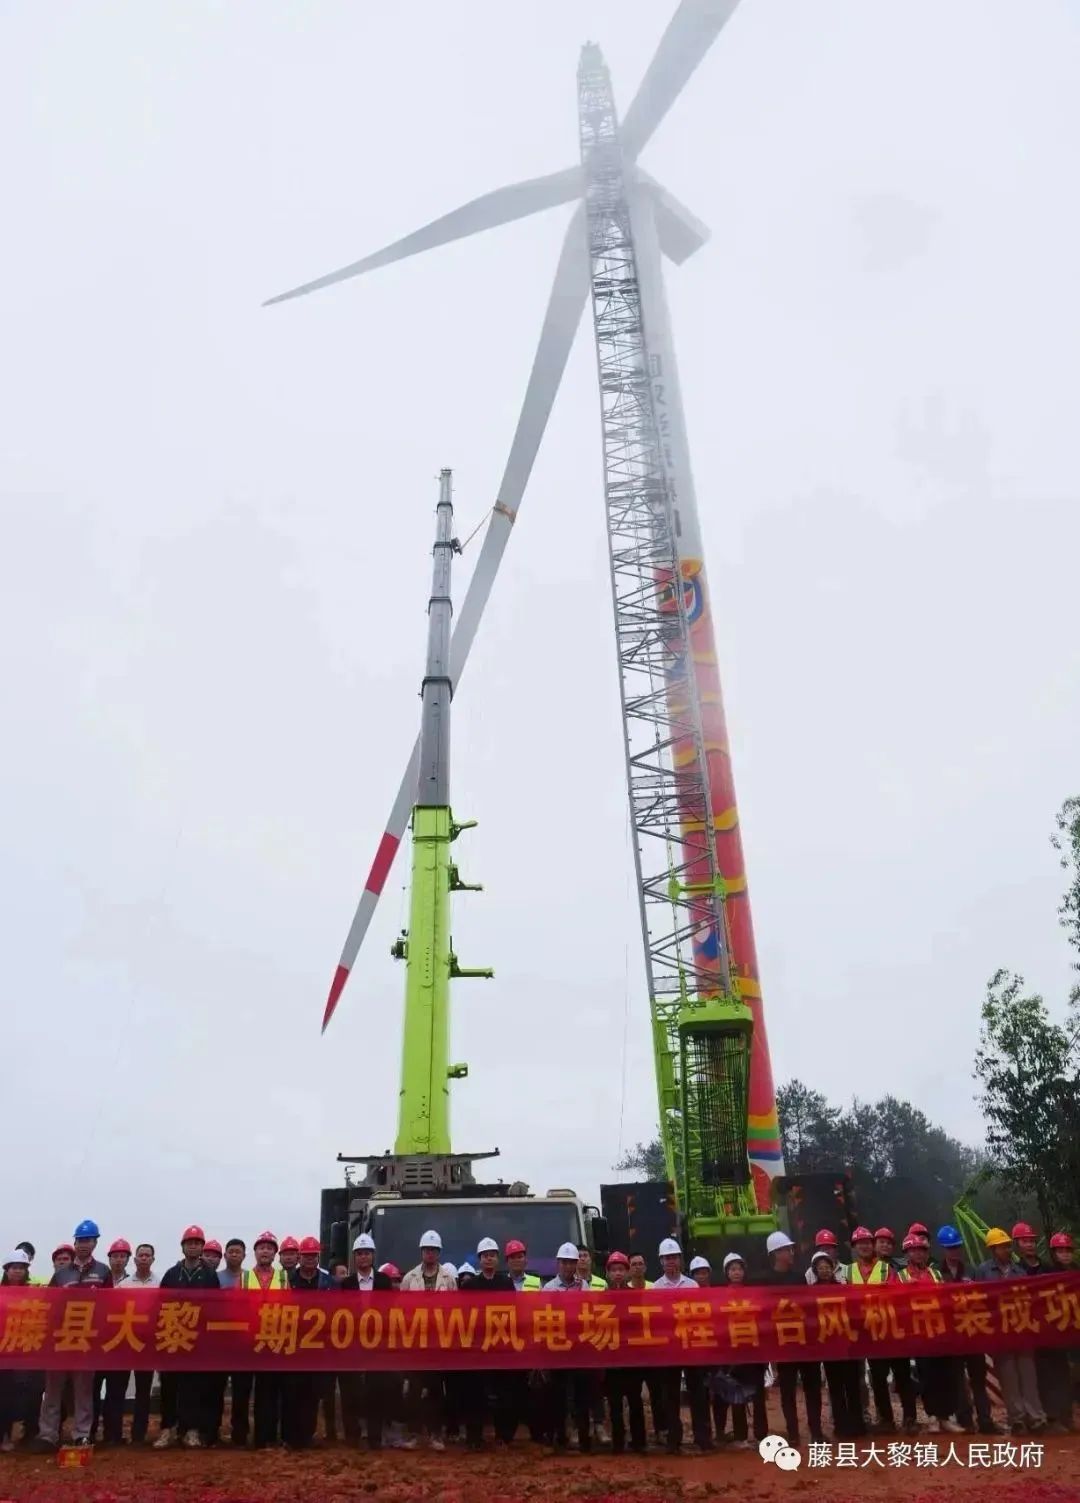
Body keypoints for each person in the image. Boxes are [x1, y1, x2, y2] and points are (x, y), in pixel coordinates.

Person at [32, 1219, 112, 1453]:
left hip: (87, 1340)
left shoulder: (103, 1272)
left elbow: (110, 1306)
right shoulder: (61, 1273)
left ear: (95, 1242)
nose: (84, 1244)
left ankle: (81, 1435)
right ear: (75, 1242)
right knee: (53, 1389)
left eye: (89, 1240)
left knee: (83, 1389)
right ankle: (48, 1434)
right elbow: (48, 1304)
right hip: (60, 1340)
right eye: (80, 1240)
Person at [976, 1228, 1046, 1434]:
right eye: (1001, 1247)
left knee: (1028, 1375)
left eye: (1007, 1246)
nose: (1006, 1250)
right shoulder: (984, 1272)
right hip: (1000, 1333)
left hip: (1021, 1329)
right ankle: (1017, 1418)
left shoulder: (1019, 1271)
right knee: (1008, 1377)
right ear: (992, 1249)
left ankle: (1036, 1417)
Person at [156, 1225, 220, 1450]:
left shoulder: (210, 1275)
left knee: (194, 1386)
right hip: (173, 1337)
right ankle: (167, 1429)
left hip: (198, 1340)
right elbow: (160, 1304)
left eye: (197, 1243)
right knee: (169, 1386)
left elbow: (215, 1308)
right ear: (182, 1247)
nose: (193, 1246)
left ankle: (191, 1430)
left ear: (202, 1247)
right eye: (189, 1243)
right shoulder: (172, 1274)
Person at [848, 1225, 916, 1434]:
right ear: (854, 1247)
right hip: (870, 1334)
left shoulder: (887, 1269)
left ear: (873, 1246)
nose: (865, 1247)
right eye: (860, 1244)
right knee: (878, 1378)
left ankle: (910, 1418)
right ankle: (886, 1419)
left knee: (902, 1375)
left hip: (892, 1331)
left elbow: (899, 1296)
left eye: (868, 1243)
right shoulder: (849, 1271)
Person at [759, 1230, 824, 1447]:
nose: (791, 1252)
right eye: (787, 1249)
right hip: (784, 1345)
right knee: (787, 1391)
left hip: (805, 1343)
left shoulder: (798, 1277)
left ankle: (816, 1431)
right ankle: (793, 1432)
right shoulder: (766, 1281)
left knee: (812, 1388)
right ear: (776, 1253)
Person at [936, 1224, 1000, 1435]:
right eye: (950, 1248)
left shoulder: (972, 1270)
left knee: (978, 1380)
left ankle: (985, 1420)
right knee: (957, 1380)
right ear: (943, 1249)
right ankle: (965, 1420)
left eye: (957, 1247)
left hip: (973, 1332)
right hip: (951, 1336)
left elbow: (985, 1298)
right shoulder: (936, 1273)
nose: (954, 1251)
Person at [898, 1235, 963, 1433]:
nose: (918, 1253)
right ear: (907, 1253)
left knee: (944, 1375)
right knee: (925, 1376)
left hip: (939, 1333)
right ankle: (933, 1416)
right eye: (913, 1250)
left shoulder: (936, 1274)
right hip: (917, 1334)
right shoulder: (900, 1276)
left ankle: (946, 1417)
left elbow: (946, 1300)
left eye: (922, 1249)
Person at [653, 1237, 712, 1453]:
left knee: (698, 1393)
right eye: (667, 1258)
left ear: (680, 1260)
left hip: (691, 1346)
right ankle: (673, 1439)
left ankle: (702, 1437)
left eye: (674, 1257)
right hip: (669, 1349)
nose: (671, 1261)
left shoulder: (692, 1285)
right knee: (670, 1396)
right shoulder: (656, 1288)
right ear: (661, 1261)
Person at [457, 1237, 515, 1448]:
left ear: (497, 1259)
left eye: (492, 1255)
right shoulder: (470, 1285)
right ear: (479, 1260)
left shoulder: (506, 1284)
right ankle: (475, 1437)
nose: (489, 1259)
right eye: (485, 1256)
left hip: (501, 1346)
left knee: (503, 1394)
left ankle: (503, 1436)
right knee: (476, 1394)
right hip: (478, 1347)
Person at [399, 1231, 455, 1450]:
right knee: (413, 1388)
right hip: (415, 1341)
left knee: (435, 1390)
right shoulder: (409, 1278)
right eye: (426, 1249)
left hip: (438, 1342)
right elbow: (401, 1311)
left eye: (433, 1250)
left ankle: (435, 1434)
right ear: (421, 1252)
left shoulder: (449, 1279)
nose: (429, 1253)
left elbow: (455, 1311)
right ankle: (413, 1433)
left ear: (438, 1253)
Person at [340, 1233, 393, 1450]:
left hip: (377, 1343)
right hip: (352, 1344)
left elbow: (391, 1310)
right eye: (359, 1254)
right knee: (351, 1390)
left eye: (367, 1253)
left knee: (376, 1390)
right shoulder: (347, 1284)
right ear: (354, 1257)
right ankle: (352, 1435)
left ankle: (374, 1437)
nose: (363, 1257)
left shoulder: (383, 1281)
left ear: (373, 1256)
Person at [710, 1252, 765, 1449]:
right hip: (732, 1353)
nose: (736, 1272)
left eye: (739, 1268)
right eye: (732, 1269)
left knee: (758, 1395)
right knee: (737, 1395)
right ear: (727, 1272)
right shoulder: (721, 1295)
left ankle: (761, 1435)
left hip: (753, 1351)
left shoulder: (753, 1292)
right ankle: (741, 1436)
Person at [541, 1242, 592, 1453]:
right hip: (558, 1349)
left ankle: (584, 1439)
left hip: (579, 1349)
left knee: (582, 1397)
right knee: (558, 1397)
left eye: (572, 1263)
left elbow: (590, 1313)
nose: (568, 1267)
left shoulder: (584, 1287)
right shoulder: (549, 1289)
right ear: (558, 1264)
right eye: (564, 1263)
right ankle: (560, 1438)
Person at [283, 1236, 332, 1449]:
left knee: (312, 1395)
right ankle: (289, 1437)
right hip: (293, 1345)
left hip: (319, 1348)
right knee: (292, 1392)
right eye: (306, 1256)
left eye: (314, 1256)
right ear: (299, 1258)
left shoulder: (328, 1282)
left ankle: (307, 1435)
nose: (310, 1260)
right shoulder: (288, 1280)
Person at [810, 1250, 864, 1439]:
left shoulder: (843, 1288)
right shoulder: (809, 1293)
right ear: (815, 1271)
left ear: (833, 1269)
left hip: (846, 1344)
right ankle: (841, 1426)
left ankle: (858, 1425)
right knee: (835, 1388)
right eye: (820, 1268)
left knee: (852, 1385)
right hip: (828, 1347)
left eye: (827, 1267)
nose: (824, 1270)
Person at [243, 1233, 288, 1448]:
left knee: (272, 1390)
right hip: (251, 1340)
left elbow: (290, 1307)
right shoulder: (244, 1278)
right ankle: (255, 1437)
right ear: (255, 1252)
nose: (265, 1251)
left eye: (270, 1248)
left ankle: (271, 1435)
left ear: (274, 1253)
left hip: (275, 1339)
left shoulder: (283, 1277)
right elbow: (237, 1308)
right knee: (252, 1391)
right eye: (261, 1247)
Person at [601, 1251, 646, 1454]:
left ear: (627, 1272)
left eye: (621, 1269)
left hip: (632, 1358)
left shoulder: (635, 1296)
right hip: (611, 1359)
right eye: (614, 1270)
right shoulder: (601, 1298)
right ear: (608, 1273)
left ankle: (639, 1442)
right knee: (615, 1404)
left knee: (635, 1402)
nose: (618, 1273)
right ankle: (618, 1442)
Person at [122, 1244, 159, 1446]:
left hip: (148, 1345)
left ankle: (139, 1434)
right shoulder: (124, 1285)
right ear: (135, 1260)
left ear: (153, 1259)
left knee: (144, 1391)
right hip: (126, 1342)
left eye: (148, 1255)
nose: (144, 1258)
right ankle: (115, 1433)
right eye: (141, 1255)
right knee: (122, 1389)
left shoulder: (161, 1284)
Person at [1, 1253, 37, 1452]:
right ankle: (3, 1435)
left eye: (21, 1267)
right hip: (4, 1352)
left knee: (27, 1393)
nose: (17, 1270)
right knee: (4, 1395)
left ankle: (28, 1434)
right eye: (13, 1267)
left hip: (25, 1350)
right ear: (6, 1270)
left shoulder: (34, 1294)